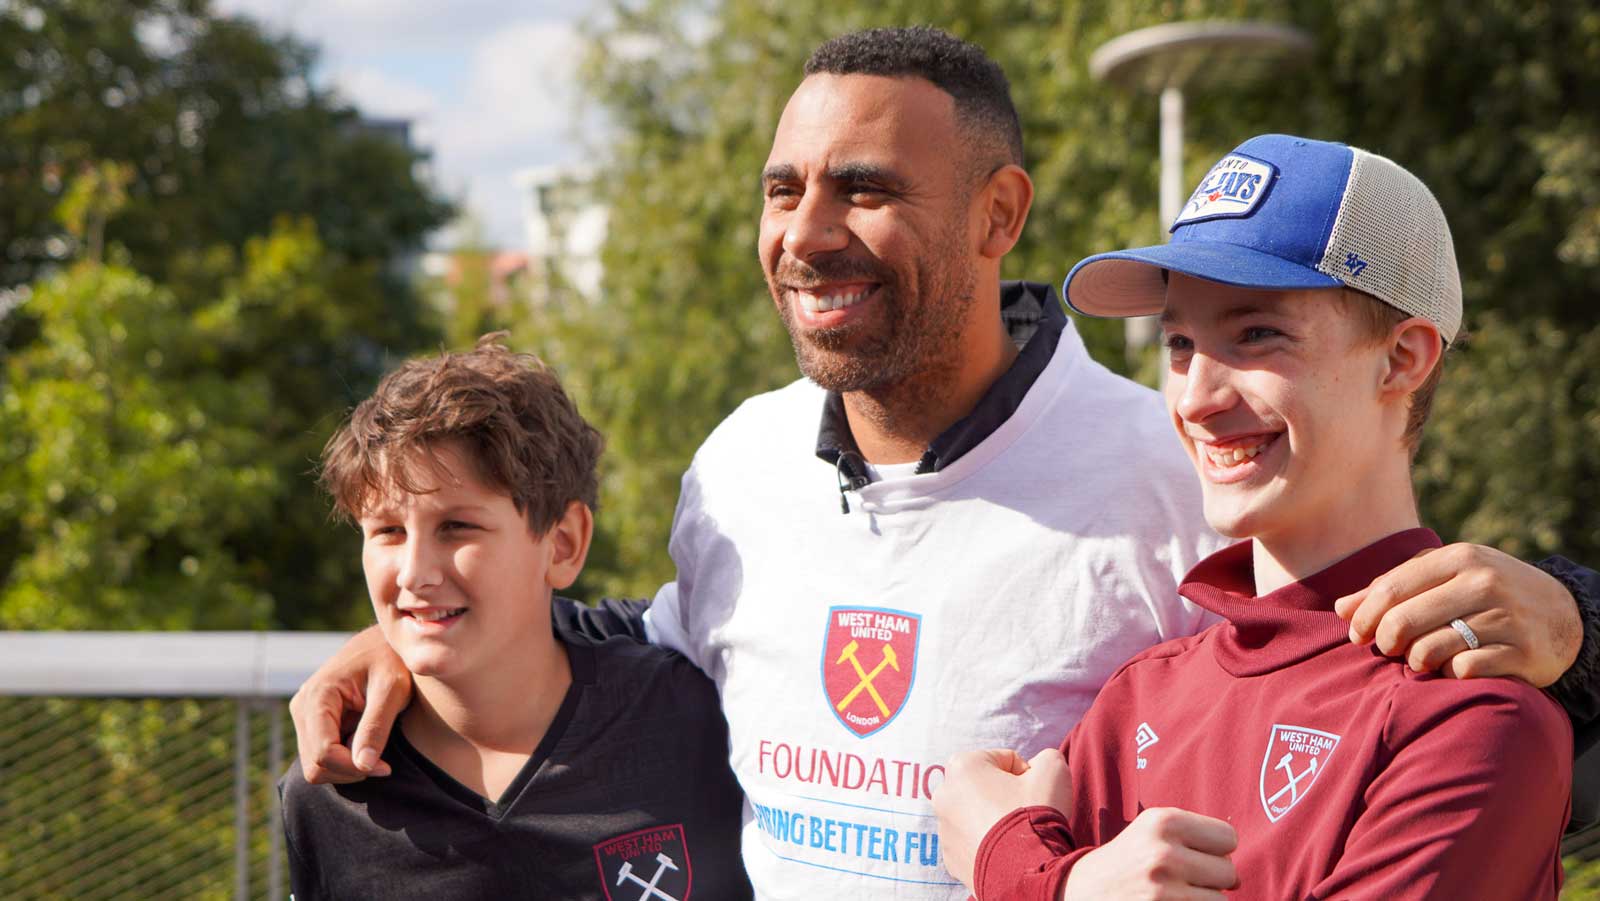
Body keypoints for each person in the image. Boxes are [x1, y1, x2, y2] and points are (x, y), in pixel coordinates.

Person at [288, 28, 1600, 899]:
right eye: (780, 188)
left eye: (861, 188)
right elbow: (652, 650)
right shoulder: (739, 467)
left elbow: (1388, 670)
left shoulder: (1169, 478)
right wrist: (424, 630)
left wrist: (1582, 624)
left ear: (998, 215)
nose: (806, 233)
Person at [935, 134, 1572, 900]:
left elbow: (1026, 876)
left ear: (1402, 358)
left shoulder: (1474, 718)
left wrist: (1023, 871)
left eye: (1257, 334)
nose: (1196, 398)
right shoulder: (1140, 695)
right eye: (1178, 342)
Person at [277, 337, 750, 900]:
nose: (413, 572)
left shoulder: (690, 718)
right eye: (388, 531)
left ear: (564, 544)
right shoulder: (330, 791)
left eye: (457, 527)